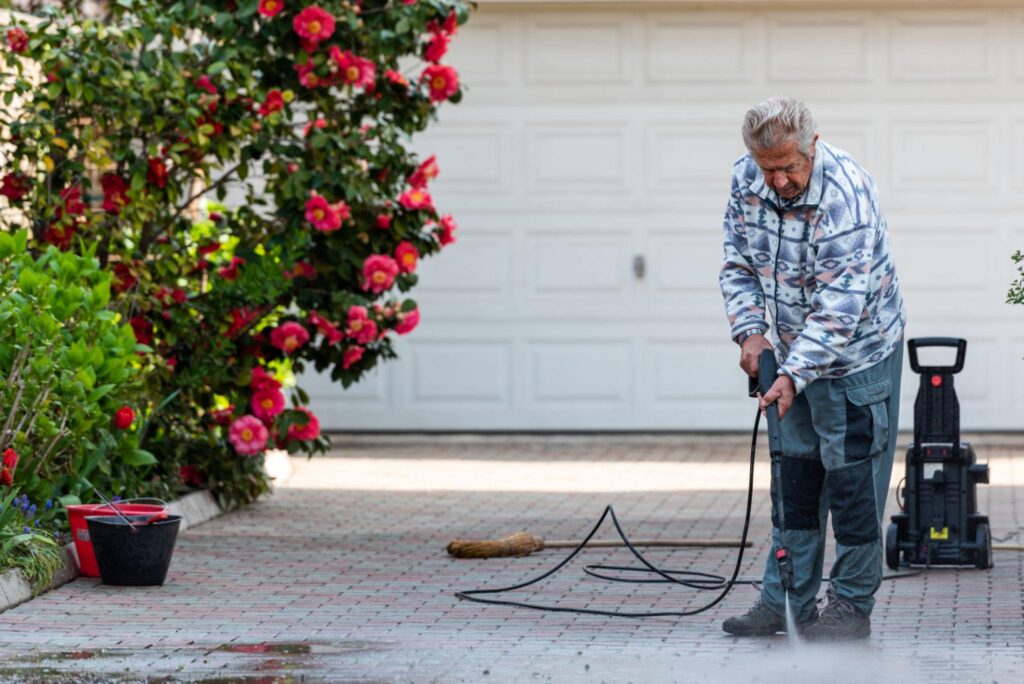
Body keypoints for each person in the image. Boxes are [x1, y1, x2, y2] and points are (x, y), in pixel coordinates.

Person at [717, 96, 906, 641]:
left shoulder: (845, 194)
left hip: (856, 356)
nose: (776, 180)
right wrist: (750, 331)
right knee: (795, 483)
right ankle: (783, 601)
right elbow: (737, 263)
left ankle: (850, 607)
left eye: (788, 167)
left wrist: (790, 375)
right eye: (767, 168)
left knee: (852, 484)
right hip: (791, 352)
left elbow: (840, 307)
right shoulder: (746, 179)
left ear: (813, 147)